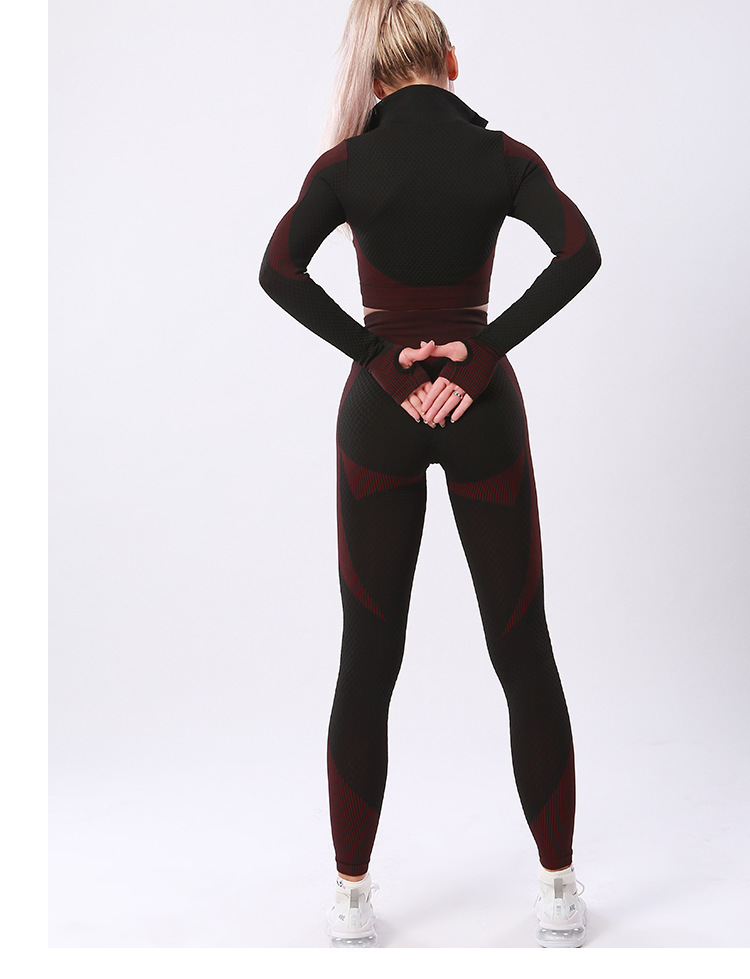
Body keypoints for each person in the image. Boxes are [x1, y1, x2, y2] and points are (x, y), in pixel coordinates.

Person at [259, 0, 600, 948]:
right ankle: (559, 886)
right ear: (452, 60)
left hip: (381, 417)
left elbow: (278, 271)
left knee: (367, 655)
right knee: (522, 645)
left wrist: (377, 359)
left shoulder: (345, 166)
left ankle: (350, 894)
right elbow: (581, 253)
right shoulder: (504, 158)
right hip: (483, 413)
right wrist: (481, 354)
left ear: (375, 77)